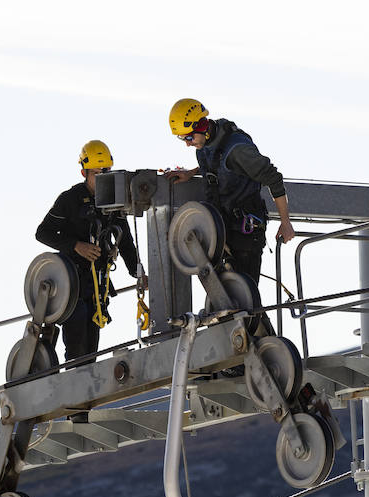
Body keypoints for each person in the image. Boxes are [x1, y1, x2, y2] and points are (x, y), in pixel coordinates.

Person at [164, 98, 295, 303]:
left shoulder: (239, 150)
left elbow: (274, 179)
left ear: (202, 126)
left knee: (244, 300)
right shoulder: (207, 142)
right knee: (224, 299)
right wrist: (192, 173)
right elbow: (218, 164)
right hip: (221, 232)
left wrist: (285, 223)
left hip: (245, 235)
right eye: (183, 139)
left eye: (188, 137)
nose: (188, 143)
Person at [35, 140, 144, 362]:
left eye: (106, 173)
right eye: (96, 173)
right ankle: (74, 384)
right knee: (76, 341)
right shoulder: (70, 199)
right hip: (71, 281)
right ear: (84, 172)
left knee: (92, 347)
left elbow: (125, 242)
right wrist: (76, 245)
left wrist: (138, 273)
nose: (102, 178)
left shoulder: (114, 201)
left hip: (97, 285)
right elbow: (43, 233)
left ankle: (84, 387)